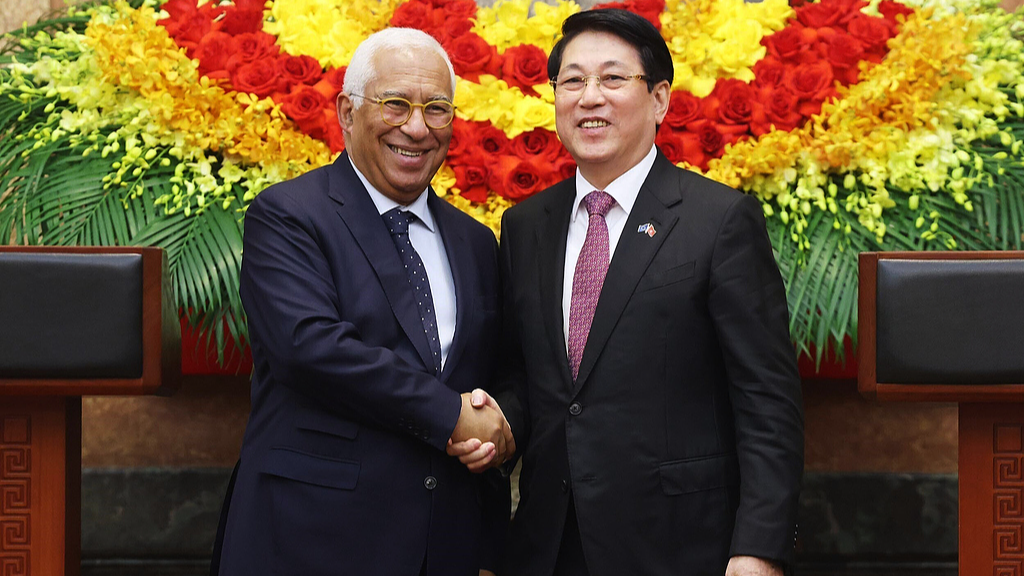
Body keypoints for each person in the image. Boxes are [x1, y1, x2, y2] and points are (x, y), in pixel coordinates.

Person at [452, 8, 804, 576]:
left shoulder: (718, 221)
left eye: (613, 79)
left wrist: (759, 547)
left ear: (660, 99)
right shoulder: (526, 227)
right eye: (572, 81)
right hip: (549, 545)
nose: (590, 97)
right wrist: (499, 424)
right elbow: (527, 377)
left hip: (680, 545)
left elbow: (766, 400)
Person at [213, 27, 513, 576]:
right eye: (395, 104)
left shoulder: (475, 241)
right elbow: (310, 347)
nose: (417, 128)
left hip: (445, 544)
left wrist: (505, 427)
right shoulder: (288, 216)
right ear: (347, 113)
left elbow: (504, 369)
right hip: (313, 538)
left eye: (437, 108)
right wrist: (450, 416)